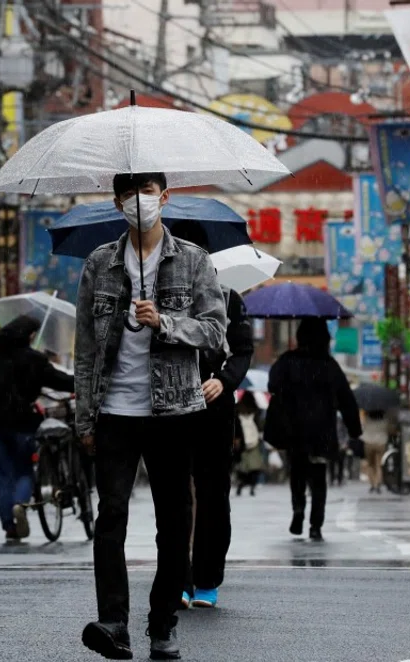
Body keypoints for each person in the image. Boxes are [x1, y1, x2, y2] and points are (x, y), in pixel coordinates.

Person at [76, 172, 227, 661]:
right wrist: (84, 419)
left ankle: (162, 622)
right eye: (128, 195)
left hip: (174, 410)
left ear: (164, 197)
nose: (138, 203)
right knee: (110, 517)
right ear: (116, 201)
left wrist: (164, 321)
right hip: (114, 411)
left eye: (147, 193)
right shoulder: (99, 263)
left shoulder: (193, 260)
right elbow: (83, 351)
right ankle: (113, 623)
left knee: (173, 521)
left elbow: (214, 333)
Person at [171, 220, 253, 611]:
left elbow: (242, 350)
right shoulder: (157, 295)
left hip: (214, 405)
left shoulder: (229, 296)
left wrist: (223, 380)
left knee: (213, 493)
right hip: (169, 404)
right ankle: (177, 577)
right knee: (173, 494)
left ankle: (206, 579)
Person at [267, 318, 361, 542]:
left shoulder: (287, 361)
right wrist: (354, 430)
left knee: (297, 472)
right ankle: (316, 525)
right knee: (319, 479)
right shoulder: (329, 365)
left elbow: (272, 386)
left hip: (294, 430)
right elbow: (347, 399)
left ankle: (298, 508)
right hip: (322, 431)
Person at [0, 315, 74, 540]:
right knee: (24, 471)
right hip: (24, 424)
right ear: (30, 335)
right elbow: (58, 380)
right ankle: (20, 505)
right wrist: (81, 383)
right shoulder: (34, 359)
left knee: (3, 476)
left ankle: (9, 527)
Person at [234, 392, 265, 497]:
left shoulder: (237, 410)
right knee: (254, 467)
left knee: (243, 467)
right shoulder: (255, 410)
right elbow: (260, 426)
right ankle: (252, 485)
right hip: (254, 442)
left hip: (242, 442)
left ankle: (241, 484)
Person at [362, 409, 391, 493]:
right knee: (379, 464)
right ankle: (378, 483)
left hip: (369, 443)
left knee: (371, 465)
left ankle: (372, 484)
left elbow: (362, 429)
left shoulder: (367, 419)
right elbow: (388, 430)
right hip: (381, 443)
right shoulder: (385, 420)